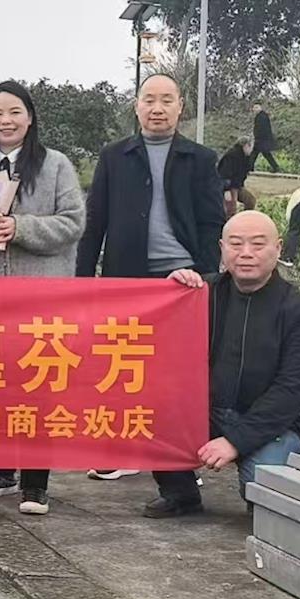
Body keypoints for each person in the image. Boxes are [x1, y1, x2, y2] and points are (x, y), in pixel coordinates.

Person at [77, 73, 225, 483]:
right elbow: (95, 222)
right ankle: (122, 451)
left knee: (176, 374)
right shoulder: (114, 156)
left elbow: (212, 222)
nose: (157, 109)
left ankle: (177, 458)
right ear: (136, 106)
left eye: (166, 100)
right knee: (122, 367)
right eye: (149, 100)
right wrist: (83, 281)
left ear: (180, 107)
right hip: (127, 279)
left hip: (183, 282)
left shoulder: (200, 158)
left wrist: (205, 275)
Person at [0, 81, 85, 516]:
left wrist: (20, 228)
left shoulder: (55, 166)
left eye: (14, 112)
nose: (6, 121)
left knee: (37, 385)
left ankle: (35, 483)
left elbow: (73, 223)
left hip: (41, 299)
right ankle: (1, 471)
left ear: (30, 118)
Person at [160, 211, 300, 516]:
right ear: (222, 248)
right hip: (207, 413)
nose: (246, 253)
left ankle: (281, 467)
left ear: (278, 248)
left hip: (273, 423)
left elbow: (290, 391)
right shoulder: (201, 293)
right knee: (153, 418)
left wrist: (235, 441)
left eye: (258, 244)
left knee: (262, 485)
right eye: (236, 244)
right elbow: (160, 338)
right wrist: (169, 293)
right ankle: (180, 494)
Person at [218, 137, 255, 215]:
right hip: (228, 186)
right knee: (231, 209)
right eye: (251, 147)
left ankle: (244, 219)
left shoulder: (245, 157)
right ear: (246, 146)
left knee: (250, 200)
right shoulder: (231, 155)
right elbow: (223, 175)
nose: (252, 150)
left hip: (237, 186)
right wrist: (226, 190)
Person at [251, 103, 279, 172]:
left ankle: (250, 167)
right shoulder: (262, 116)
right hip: (262, 139)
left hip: (261, 139)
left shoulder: (261, 117)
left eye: (255, 108)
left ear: (258, 108)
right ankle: (275, 167)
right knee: (264, 154)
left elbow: (261, 129)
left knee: (255, 154)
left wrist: (257, 137)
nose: (254, 110)